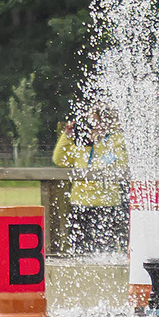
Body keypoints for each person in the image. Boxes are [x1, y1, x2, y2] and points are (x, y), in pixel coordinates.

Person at [52, 106, 128, 254]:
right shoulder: (82, 144)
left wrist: (99, 143)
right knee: (79, 249)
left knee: (106, 251)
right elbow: (59, 159)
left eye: (96, 121)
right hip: (80, 203)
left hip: (107, 204)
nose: (93, 125)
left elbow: (120, 164)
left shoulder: (116, 140)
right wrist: (67, 136)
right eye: (90, 121)